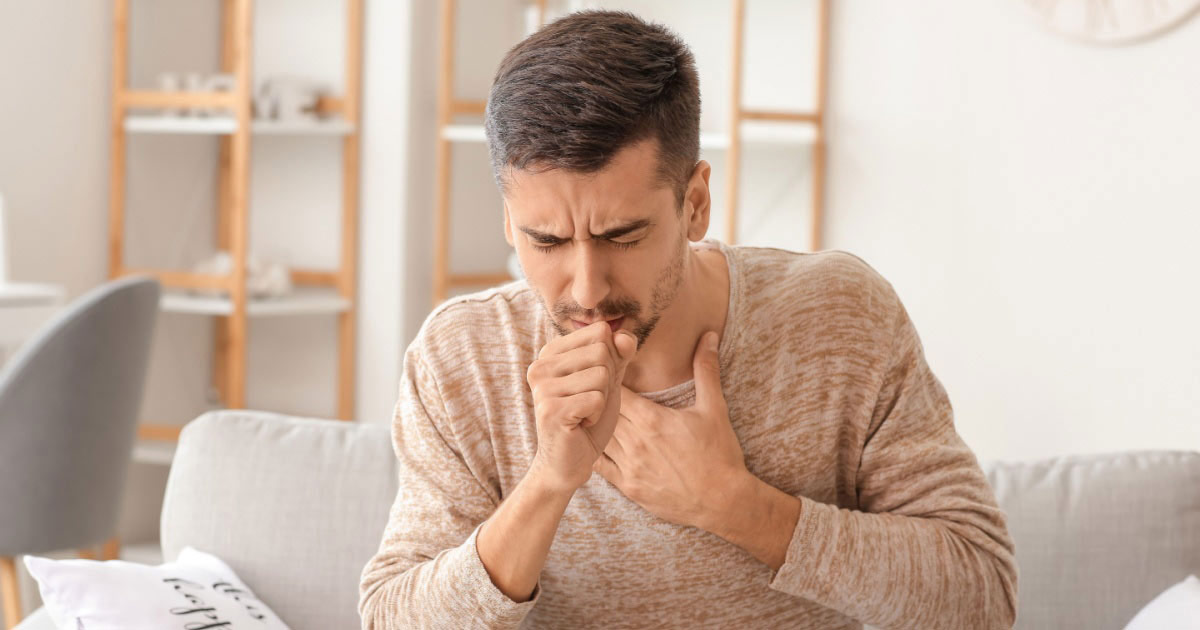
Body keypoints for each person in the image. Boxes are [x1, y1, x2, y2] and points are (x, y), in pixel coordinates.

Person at [360, 10, 1017, 630]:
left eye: (623, 235)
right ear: (508, 219)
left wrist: (734, 506)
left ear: (695, 202)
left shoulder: (838, 316)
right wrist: (550, 480)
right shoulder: (461, 359)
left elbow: (982, 595)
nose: (586, 288)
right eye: (547, 242)